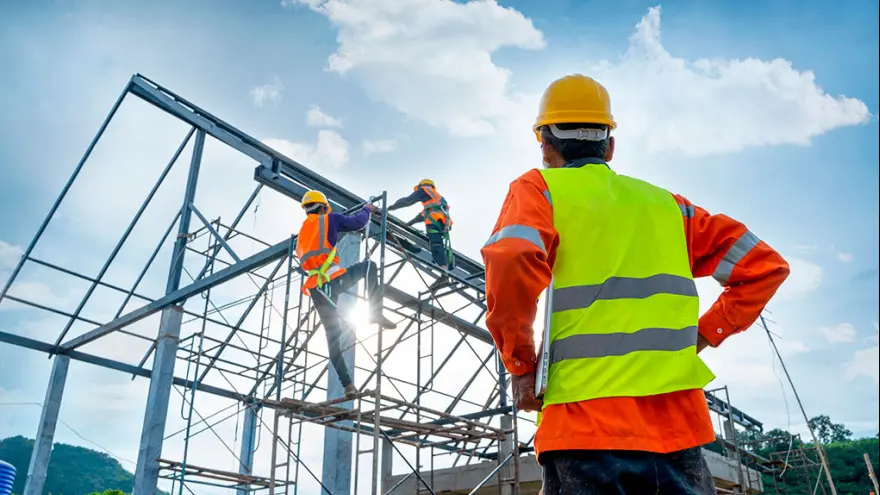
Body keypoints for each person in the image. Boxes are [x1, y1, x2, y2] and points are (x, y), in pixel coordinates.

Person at [480, 74, 791, 494]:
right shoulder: (668, 206)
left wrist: (520, 365)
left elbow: (513, 256)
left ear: (545, 145)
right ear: (609, 145)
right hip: (679, 432)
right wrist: (703, 333)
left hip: (583, 427)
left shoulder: (538, 189)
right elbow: (763, 266)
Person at [296, 189, 397, 398]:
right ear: (323, 207)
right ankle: (374, 312)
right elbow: (357, 223)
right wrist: (367, 210)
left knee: (332, 338)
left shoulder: (303, 232)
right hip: (332, 279)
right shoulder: (329, 219)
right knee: (369, 267)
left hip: (316, 287)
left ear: (307, 210)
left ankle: (348, 386)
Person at [388, 179, 455, 285]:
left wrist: (390, 208)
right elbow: (422, 215)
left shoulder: (424, 189)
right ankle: (444, 272)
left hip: (434, 221)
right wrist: (409, 224)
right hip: (442, 223)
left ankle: (444, 272)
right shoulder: (437, 198)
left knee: (436, 245)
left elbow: (407, 201)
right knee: (437, 244)